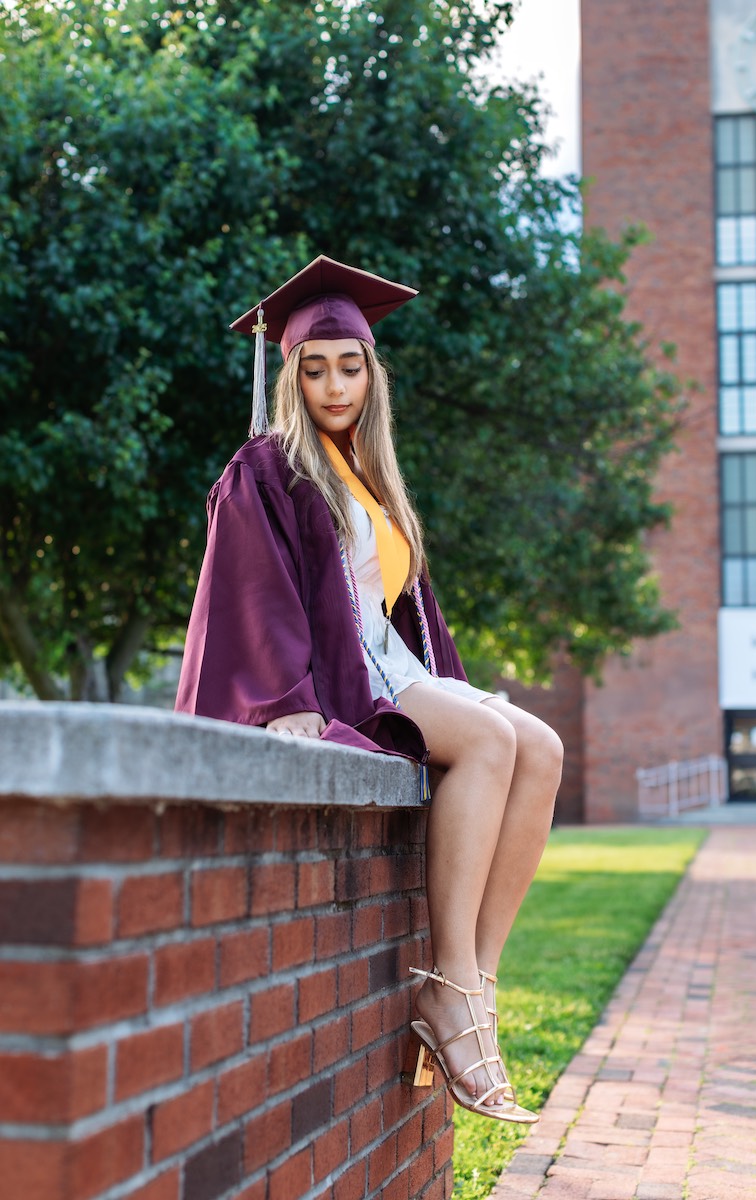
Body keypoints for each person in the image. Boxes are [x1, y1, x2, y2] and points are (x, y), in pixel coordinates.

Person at [175, 255, 563, 1124]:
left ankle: (471, 988)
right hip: (349, 677)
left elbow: (405, 614)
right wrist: (285, 698)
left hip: (397, 665)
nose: (334, 384)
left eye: (350, 366)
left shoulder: (371, 478)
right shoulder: (268, 467)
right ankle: (451, 989)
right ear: (292, 376)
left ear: (372, 374)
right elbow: (251, 587)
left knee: (542, 747)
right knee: (495, 740)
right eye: (314, 368)